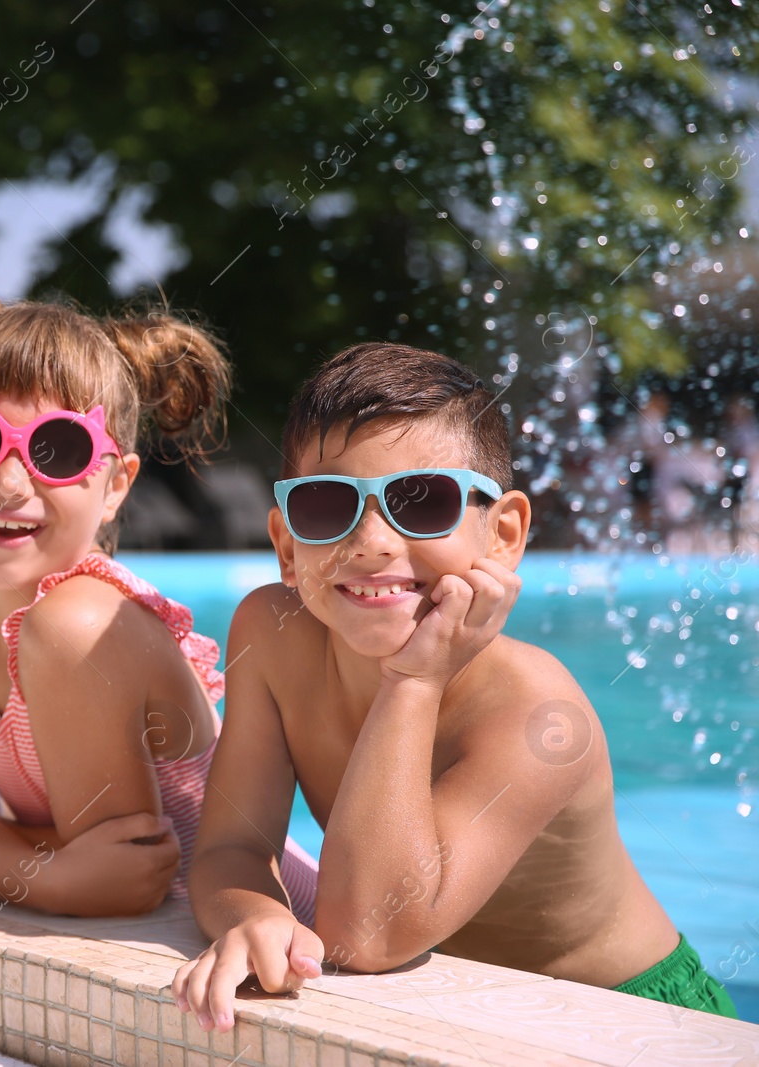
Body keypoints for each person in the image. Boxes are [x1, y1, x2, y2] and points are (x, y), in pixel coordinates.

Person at [172, 343, 738, 1029]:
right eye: (327, 505)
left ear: (503, 534)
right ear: (288, 547)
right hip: (456, 1006)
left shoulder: (536, 711)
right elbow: (231, 845)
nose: (373, 539)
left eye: (421, 500)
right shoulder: (272, 632)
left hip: (625, 1015)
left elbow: (367, 933)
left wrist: (413, 679)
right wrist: (255, 913)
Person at [0, 255, 320, 918]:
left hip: (284, 930)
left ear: (115, 486)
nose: (10, 481)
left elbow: (125, 880)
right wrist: (46, 871)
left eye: (58, 449)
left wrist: (19, 860)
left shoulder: (80, 624)